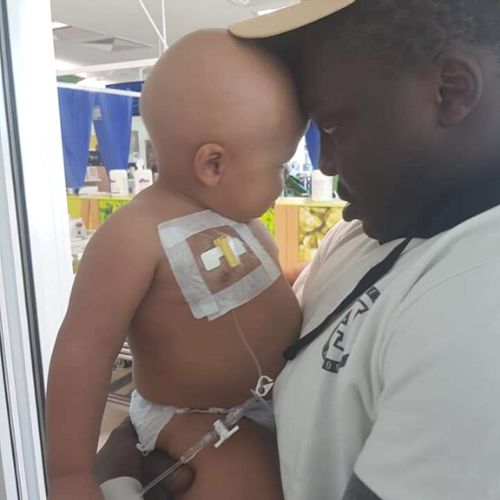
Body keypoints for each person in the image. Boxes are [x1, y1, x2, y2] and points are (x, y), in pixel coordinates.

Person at [100, 0, 500, 499]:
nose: (326, 165)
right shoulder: (372, 231)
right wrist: (152, 423)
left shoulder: (478, 307)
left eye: (333, 128)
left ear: (451, 91)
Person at [46, 30, 307, 500]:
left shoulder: (242, 218)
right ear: (213, 165)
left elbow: (255, 294)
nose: (283, 182)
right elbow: (82, 353)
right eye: (278, 166)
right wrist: (69, 475)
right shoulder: (133, 236)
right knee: (254, 482)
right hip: (194, 416)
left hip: (272, 400)